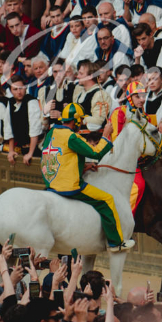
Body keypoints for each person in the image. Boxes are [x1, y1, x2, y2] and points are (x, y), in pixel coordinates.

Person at [40, 103, 135, 251]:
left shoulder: (52, 132)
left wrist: (84, 166)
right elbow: (95, 153)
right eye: (81, 120)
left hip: (51, 182)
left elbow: (63, 157)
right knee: (107, 199)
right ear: (75, 120)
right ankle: (116, 242)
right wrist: (106, 135)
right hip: (68, 186)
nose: (82, 123)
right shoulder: (71, 136)